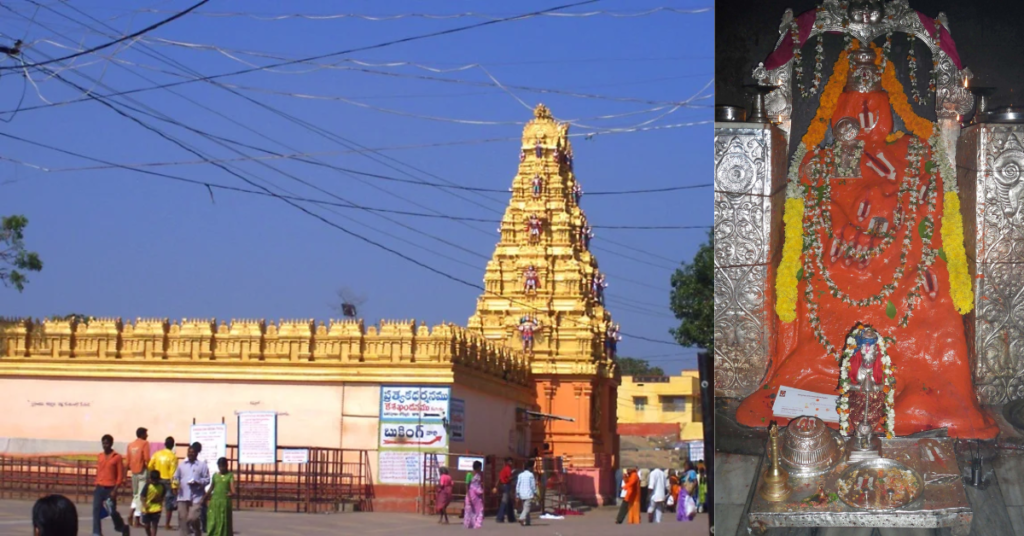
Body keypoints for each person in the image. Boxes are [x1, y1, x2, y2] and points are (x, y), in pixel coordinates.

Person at [172, 442, 210, 536]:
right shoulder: (182, 465)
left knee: (193, 518)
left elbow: (207, 479)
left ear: (196, 453)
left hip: (196, 496)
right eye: (189, 452)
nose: (190, 454)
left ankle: (197, 531)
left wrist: (198, 482)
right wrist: (175, 484)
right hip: (183, 495)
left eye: (193, 452)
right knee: (182, 518)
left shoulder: (202, 465)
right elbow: (175, 477)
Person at [94, 434, 125, 536]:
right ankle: (97, 533)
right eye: (103, 443)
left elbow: (120, 475)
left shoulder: (117, 457)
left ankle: (121, 526)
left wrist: (115, 490)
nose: (105, 445)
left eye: (107, 443)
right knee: (96, 510)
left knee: (112, 511)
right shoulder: (100, 456)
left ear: (111, 444)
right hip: (99, 487)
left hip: (110, 488)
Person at [148, 437, 178, 530]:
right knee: (168, 504)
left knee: (155, 501)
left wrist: (153, 476)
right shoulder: (173, 457)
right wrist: (174, 486)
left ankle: (152, 522)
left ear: (165, 444)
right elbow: (173, 473)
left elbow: (149, 466)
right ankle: (167, 524)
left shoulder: (157, 454)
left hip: (157, 480)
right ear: (173, 445)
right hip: (167, 481)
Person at [203, 457, 235, 536]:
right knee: (213, 520)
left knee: (223, 520)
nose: (222, 468)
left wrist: (232, 493)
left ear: (227, 465)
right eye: (220, 466)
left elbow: (232, 489)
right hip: (215, 501)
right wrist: (205, 497)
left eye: (223, 466)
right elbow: (211, 487)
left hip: (224, 501)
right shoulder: (215, 476)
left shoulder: (230, 475)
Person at [127, 427, 151, 528]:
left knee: (136, 495)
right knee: (141, 496)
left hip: (133, 472)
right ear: (142, 434)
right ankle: (137, 519)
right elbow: (146, 458)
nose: (147, 435)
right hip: (142, 471)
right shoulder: (145, 443)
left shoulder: (130, 445)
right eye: (146, 433)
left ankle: (130, 514)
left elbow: (127, 461)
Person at [140, 470, 167, 536]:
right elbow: (142, 496)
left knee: (154, 525)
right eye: (153, 480)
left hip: (157, 508)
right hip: (147, 509)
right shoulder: (147, 486)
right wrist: (144, 504)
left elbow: (163, 495)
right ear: (150, 479)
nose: (154, 482)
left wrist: (159, 499)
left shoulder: (162, 486)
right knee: (147, 525)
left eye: (156, 480)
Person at [515, 460, 538, 526]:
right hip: (528, 494)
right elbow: (533, 485)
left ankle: (528, 522)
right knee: (527, 508)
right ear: (530, 468)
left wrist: (517, 494)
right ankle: (521, 518)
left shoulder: (520, 475)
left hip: (521, 494)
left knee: (525, 507)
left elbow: (518, 485)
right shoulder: (531, 475)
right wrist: (535, 492)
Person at [463, 460, 485, 529]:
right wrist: (469, 497)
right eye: (480, 467)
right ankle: (469, 524)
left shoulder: (479, 475)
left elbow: (480, 485)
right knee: (469, 510)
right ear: (477, 467)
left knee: (479, 509)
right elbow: (467, 486)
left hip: (478, 495)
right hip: (471, 495)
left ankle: (477, 524)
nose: (481, 469)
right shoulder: (469, 475)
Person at [494, 457, 516, 523]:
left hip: (503, 486)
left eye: (511, 461)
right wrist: (514, 477)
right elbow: (509, 478)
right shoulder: (508, 469)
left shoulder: (503, 469)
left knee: (509, 502)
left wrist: (496, 486)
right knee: (504, 502)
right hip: (506, 485)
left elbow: (499, 478)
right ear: (507, 462)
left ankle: (511, 518)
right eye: (510, 461)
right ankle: (500, 517)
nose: (511, 463)